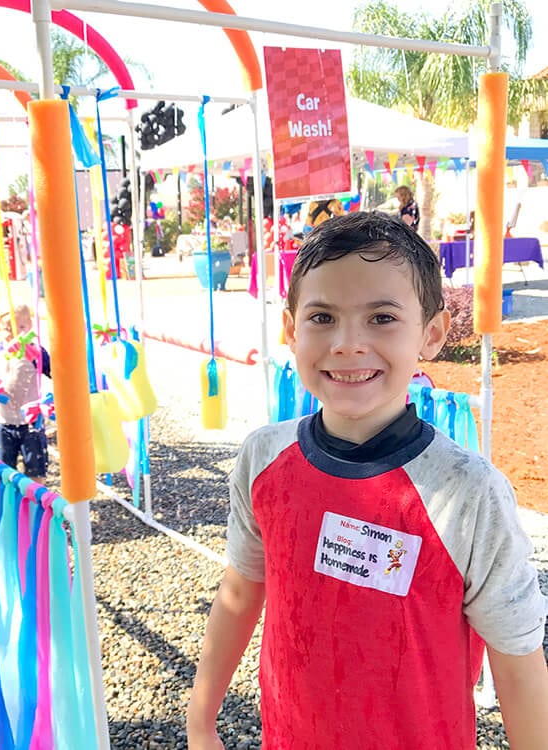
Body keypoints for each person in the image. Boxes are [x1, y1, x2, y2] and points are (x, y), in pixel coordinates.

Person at [186, 212, 548, 749]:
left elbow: (518, 661)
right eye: (322, 317)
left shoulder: (468, 494)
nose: (348, 344)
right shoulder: (264, 458)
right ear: (290, 329)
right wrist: (200, 719)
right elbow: (241, 591)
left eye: (381, 318)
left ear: (432, 334)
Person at [0, 304, 52, 479]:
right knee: (4, 470)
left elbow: (56, 373)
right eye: (8, 328)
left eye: (22, 327)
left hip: (31, 422)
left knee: (35, 469)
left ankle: (35, 501)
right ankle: (11, 503)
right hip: (4, 421)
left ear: (30, 327)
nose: (15, 333)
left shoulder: (36, 352)